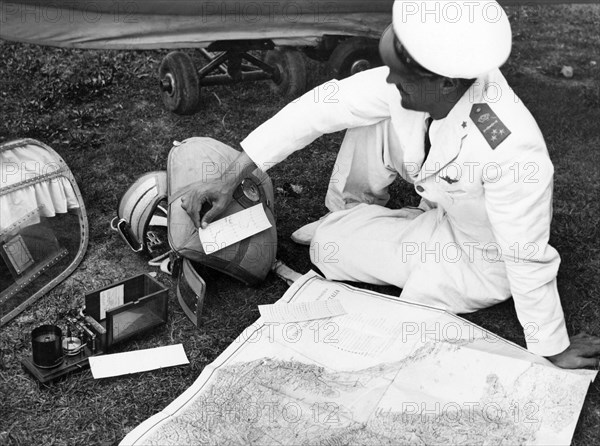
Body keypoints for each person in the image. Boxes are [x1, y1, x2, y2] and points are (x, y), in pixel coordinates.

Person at [180, 0, 600, 369]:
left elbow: (525, 252)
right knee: (370, 117)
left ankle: (362, 229)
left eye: (401, 75)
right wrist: (232, 174)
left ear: (447, 82)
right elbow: (324, 105)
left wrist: (550, 345)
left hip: (475, 255)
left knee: (331, 252)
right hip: (443, 203)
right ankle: (351, 215)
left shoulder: (512, 149)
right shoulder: (432, 78)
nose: (389, 80)